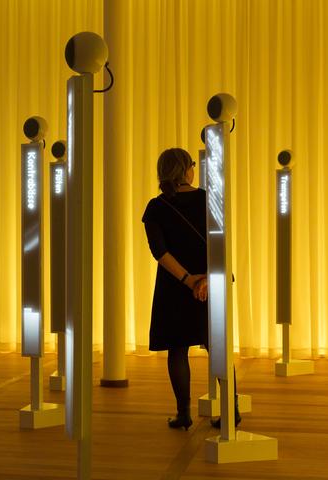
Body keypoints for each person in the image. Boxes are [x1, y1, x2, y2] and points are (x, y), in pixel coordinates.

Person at [142, 148, 210, 430]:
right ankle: (231, 408)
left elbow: (159, 252)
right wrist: (205, 279)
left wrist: (187, 280)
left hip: (174, 286)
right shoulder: (208, 199)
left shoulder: (156, 207)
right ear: (186, 170)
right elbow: (222, 242)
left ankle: (184, 413)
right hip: (209, 284)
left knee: (178, 350)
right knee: (217, 345)